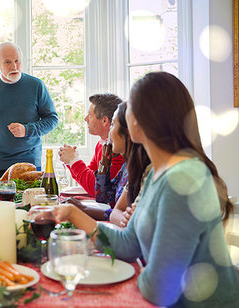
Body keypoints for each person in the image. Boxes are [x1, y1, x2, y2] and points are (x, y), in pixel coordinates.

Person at [56, 72, 238, 307]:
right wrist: (72, 215)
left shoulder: (183, 181)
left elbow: (160, 287)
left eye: (129, 106)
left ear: (144, 121)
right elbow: (128, 243)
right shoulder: (155, 172)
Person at [0, 42, 58, 178]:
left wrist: (27, 130)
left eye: (17, 61)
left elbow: (52, 120)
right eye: (7, 62)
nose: (14, 66)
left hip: (30, 163)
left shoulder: (36, 85)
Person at [59, 93, 124, 196]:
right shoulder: (101, 144)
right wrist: (70, 160)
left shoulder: (118, 149)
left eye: (90, 115)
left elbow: (96, 189)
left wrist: (73, 160)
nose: (85, 119)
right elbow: (87, 181)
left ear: (104, 120)